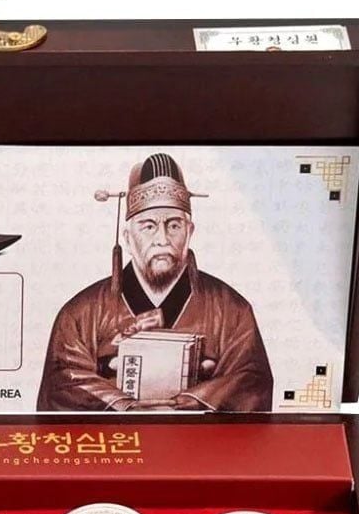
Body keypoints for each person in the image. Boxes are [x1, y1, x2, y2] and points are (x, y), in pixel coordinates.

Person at [37, 153, 272, 411]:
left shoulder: (232, 311)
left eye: (174, 225)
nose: (162, 239)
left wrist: (184, 407)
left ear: (190, 231)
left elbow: (250, 381)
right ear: (128, 238)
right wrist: (128, 408)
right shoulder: (81, 314)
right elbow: (63, 383)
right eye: (148, 226)